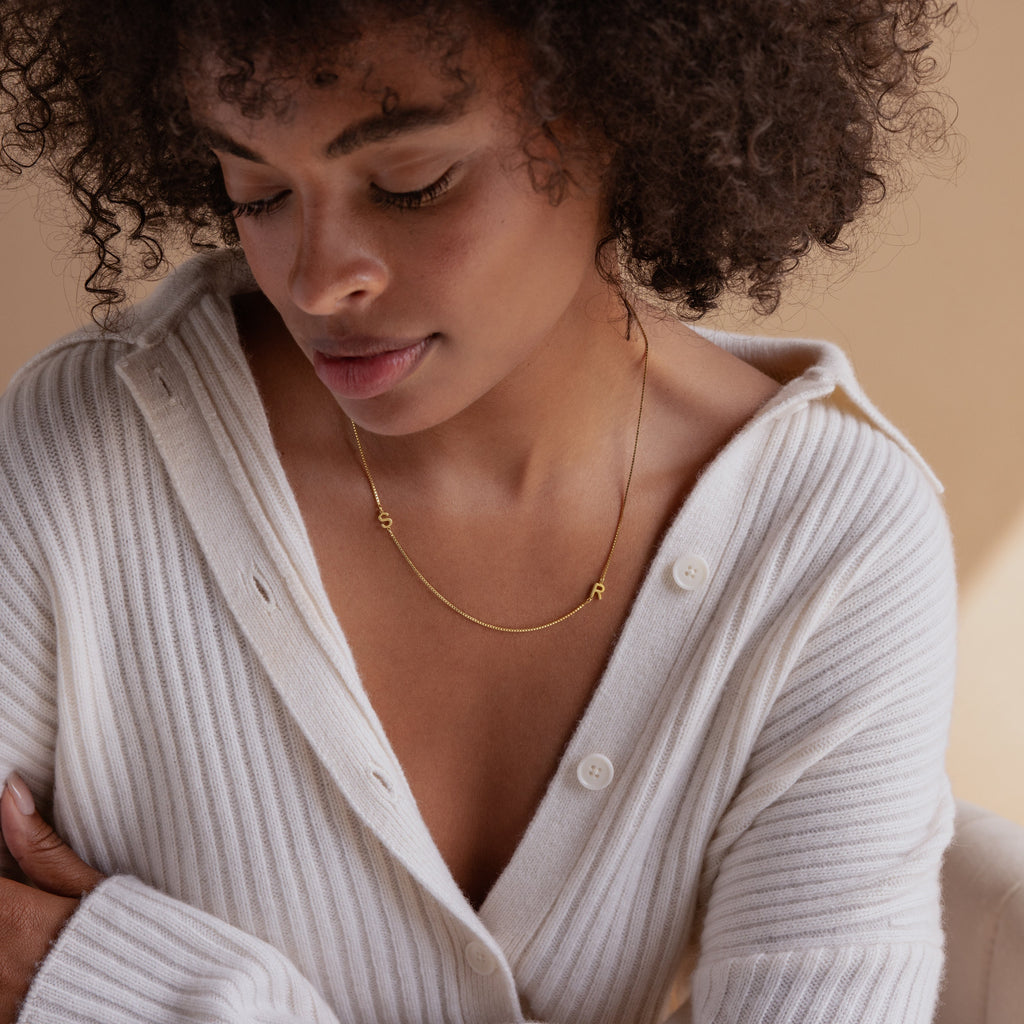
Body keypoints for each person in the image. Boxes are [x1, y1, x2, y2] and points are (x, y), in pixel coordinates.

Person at [0, 1, 957, 1022]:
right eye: (261, 189)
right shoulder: (82, 455)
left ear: (617, 111)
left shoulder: (832, 538)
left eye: (412, 185)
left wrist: (164, 996)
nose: (320, 281)